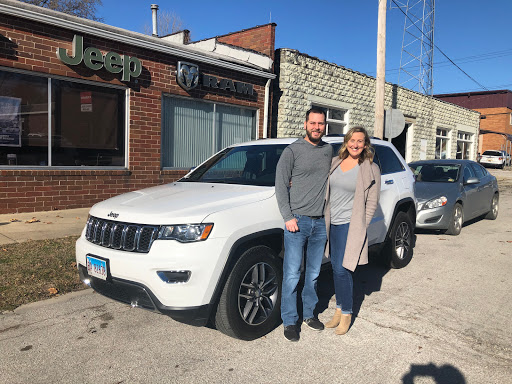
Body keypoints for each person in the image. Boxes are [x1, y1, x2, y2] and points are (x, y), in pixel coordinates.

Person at [275, 107, 333, 342]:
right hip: (296, 222)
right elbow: (280, 185)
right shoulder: (292, 151)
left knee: (313, 274)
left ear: (324, 126)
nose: (316, 127)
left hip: (320, 223)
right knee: (291, 275)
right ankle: (290, 320)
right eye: (313, 123)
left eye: (320, 124)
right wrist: (288, 217)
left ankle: (309, 314)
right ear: (305, 124)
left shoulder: (329, 150)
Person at [323, 126, 381, 335]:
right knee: (335, 267)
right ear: (346, 141)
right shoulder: (335, 163)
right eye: (352, 140)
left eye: (360, 141)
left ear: (365, 144)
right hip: (333, 223)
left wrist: (361, 226)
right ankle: (339, 309)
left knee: (343, 268)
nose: (355, 144)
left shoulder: (370, 168)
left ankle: (346, 313)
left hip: (351, 224)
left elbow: (372, 202)